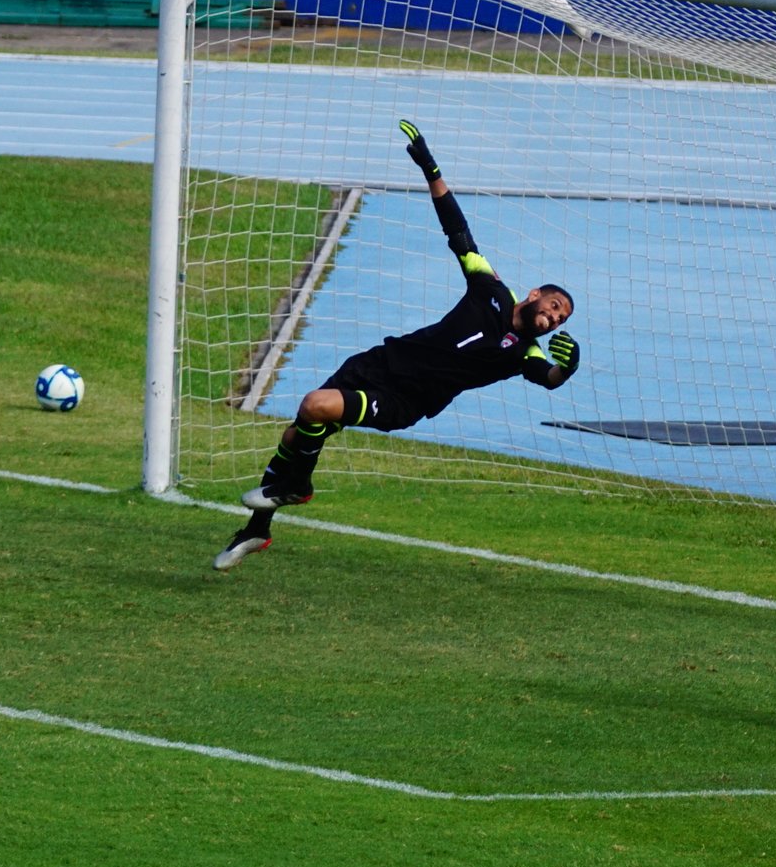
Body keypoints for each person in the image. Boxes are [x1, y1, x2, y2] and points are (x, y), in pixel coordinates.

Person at [214, 120, 581, 571]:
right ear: (534, 294)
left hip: (403, 400)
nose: (555, 317)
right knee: (296, 434)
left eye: (561, 318)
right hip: (380, 361)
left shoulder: (524, 352)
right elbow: (458, 230)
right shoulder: (489, 285)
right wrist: (430, 166)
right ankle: (256, 531)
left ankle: (298, 490)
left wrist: (570, 368)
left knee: (316, 406)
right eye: (555, 305)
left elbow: (549, 379)